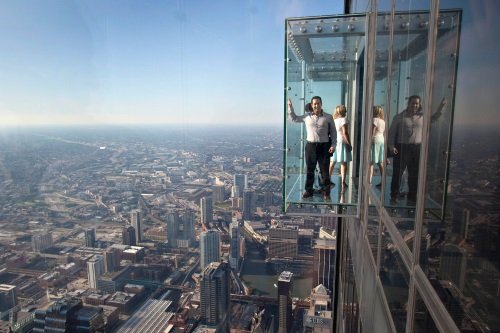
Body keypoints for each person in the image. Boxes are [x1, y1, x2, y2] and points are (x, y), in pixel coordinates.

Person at [388, 95, 447, 204]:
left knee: (414, 174)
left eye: (417, 103)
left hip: (417, 148)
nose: (415, 105)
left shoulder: (423, 117)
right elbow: (391, 134)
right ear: (409, 103)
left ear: (419, 104)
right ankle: (394, 195)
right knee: (398, 173)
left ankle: (412, 196)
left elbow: (434, 118)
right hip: (402, 147)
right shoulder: (399, 117)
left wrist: (440, 108)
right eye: (413, 103)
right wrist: (391, 147)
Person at [288, 96, 335, 199]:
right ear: (311, 105)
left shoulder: (328, 117)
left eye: (318, 103)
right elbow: (294, 118)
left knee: (324, 171)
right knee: (310, 169)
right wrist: (290, 108)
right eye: (314, 103)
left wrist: (333, 145)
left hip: (324, 147)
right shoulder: (307, 116)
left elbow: (333, 133)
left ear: (321, 104)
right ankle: (308, 191)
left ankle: (326, 192)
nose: (316, 105)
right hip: (311, 146)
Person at [329, 105, 352, 190]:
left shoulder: (334, 120)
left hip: (335, 141)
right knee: (343, 162)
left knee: (332, 161)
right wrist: (349, 143)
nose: (346, 112)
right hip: (342, 141)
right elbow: (345, 133)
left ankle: (328, 179)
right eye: (345, 110)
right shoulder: (343, 120)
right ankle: (343, 181)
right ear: (342, 112)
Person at [369, 106, 386, 185]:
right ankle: (383, 180)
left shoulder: (374, 120)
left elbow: (372, 132)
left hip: (375, 140)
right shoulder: (383, 121)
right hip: (381, 140)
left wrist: (370, 141)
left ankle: (369, 181)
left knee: (371, 162)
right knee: (380, 162)